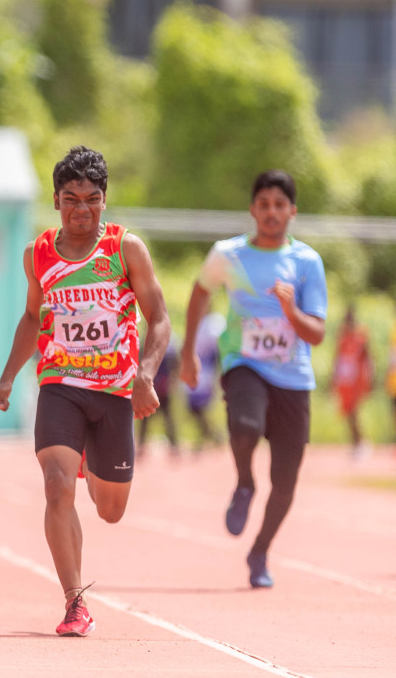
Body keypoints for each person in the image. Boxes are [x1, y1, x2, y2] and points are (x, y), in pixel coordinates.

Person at [0, 146, 171, 638]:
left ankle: (92, 460)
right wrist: (9, 376)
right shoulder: (38, 255)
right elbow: (33, 317)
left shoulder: (124, 249)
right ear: (55, 200)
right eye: (71, 199)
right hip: (60, 385)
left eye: (92, 199)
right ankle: (74, 603)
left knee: (111, 511)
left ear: (104, 201)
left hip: (114, 392)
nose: (82, 210)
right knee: (55, 484)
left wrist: (146, 375)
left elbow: (159, 317)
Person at [180, 169, 326, 590]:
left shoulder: (306, 262)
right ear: (252, 210)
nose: (271, 212)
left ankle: (260, 550)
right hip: (244, 364)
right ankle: (244, 481)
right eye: (263, 204)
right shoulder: (228, 254)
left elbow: (315, 333)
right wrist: (189, 350)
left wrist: (291, 309)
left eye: (280, 205)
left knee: (285, 483)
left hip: (293, 379)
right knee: (245, 428)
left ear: (292, 212)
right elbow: (200, 292)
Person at [331, 308, 374, 458]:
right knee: (348, 412)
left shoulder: (361, 335)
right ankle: (355, 442)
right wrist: (334, 379)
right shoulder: (342, 336)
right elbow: (337, 358)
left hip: (357, 380)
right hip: (345, 381)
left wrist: (370, 378)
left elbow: (368, 358)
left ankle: (361, 443)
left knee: (354, 412)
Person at [184, 311, 225, 451]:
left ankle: (211, 436)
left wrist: (220, 372)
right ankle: (211, 435)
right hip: (194, 369)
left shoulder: (213, 323)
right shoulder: (195, 322)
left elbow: (218, 350)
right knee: (192, 408)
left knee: (201, 406)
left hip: (207, 371)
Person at [138, 341, 181, 458]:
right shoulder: (145, 343)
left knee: (168, 419)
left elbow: (175, 366)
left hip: (163, 388)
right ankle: (142, 445)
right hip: (151, 387)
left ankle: (174, 446)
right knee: (145, 417)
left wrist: (173, 382)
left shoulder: (170, 346)